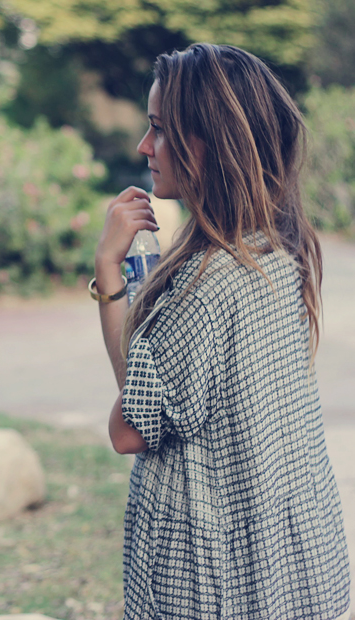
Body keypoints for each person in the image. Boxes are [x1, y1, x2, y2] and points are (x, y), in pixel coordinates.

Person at [92, 44, 351, 618]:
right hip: (288, 571)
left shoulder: (207, 288)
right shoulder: (277, 252)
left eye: (159, 130)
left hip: (209, 580)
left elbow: (130, 428)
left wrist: (108, 274)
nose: (144, 147)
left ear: (210, 145)